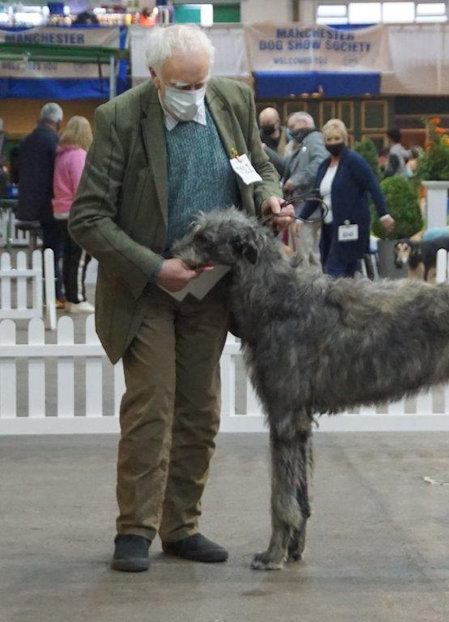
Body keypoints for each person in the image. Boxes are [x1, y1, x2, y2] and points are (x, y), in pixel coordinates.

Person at [69, 24, 293, 573]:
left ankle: (182, 526)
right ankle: (135, 530)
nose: (196, 92)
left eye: (202, 81)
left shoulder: (233, 100)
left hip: (211, 289)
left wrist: (269, 198)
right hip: (145, 287)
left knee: (200, 411)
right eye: (182, 85)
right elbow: (87, 217)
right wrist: (154, 267)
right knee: (151, 407)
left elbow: (257, 167)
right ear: (154, 78)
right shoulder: (120, 118)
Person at [298, 118, 394, 277]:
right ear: (324, 142)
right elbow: (316, 195)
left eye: (337, 138)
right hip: (329, 226)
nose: (333, 142)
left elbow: (373, 186)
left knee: (334, 269)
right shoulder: (324, 166)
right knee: (344, 271)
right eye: (329, 139)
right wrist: (301, 218)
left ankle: (334, 301)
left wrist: (384, 213)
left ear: (344, 139)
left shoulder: (354, 161)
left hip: (350, 225)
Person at [16, 102, 65, 305]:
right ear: (58, 122)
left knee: (45, 250)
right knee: (54, 251)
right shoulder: (56, 142)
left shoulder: (26, 140)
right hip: (48, 209)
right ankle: (55, 293)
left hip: (26, 207)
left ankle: (48, 292)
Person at [52, 116, 95, 313]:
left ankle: (70, 297)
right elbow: (81, 186)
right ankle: (77, 298)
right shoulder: (79, 155)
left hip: (60, 211)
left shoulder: (61, 154)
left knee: (70, 256)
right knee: (80, 257)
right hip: (76, 212)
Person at [282, 111, 328, 264]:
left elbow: (319, 163)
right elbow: (286, 166)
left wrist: (296, 181)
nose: (290, 131)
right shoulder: (304, 144)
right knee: (304, 257)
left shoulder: (314, 139)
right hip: (301, 210)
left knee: (308, 258)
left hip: (309, 211)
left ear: (304, 123)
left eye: (292, 127)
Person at [258, 106, 286, 175]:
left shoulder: (289, 138)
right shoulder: (257, 139)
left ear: (278, 122)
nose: (265, 126)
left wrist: (266, 150)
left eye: (268, 123)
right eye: (263, 124)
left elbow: (287, 165)